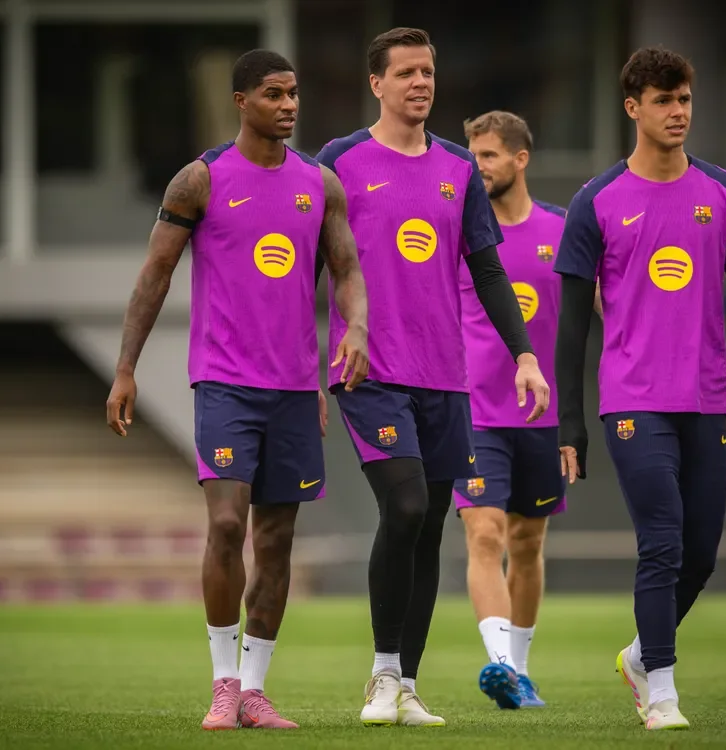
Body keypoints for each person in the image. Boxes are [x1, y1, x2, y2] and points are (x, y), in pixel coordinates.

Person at [104, 49, 369, 732]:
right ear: (241, 102)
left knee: (275, 540)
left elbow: (345, 268)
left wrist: (357, 328)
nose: (289, 105)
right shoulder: (201, 179)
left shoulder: (320, 184)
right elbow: (155, 273)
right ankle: (223, 684)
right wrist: (126, 368)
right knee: (227, 524)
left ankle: (255, 691)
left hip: (293, 389)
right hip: (225, 384)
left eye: (294, 93)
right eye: (274, 94)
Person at [314, 27, 550, 727]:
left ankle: (407, 685)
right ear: (376, 84)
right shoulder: (339, 162)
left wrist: (525, 354)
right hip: (369, 371)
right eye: (406, 72)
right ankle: (382, 676)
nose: (420, 83)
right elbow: (308, 267)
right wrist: (303, 364)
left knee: (429, 529)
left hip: (445, 377)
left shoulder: (457, 168)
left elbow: (487, 269)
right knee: (408, 506)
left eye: (428, 71)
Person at [553, 46, 726, 731]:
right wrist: (570, 423)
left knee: (700, 555)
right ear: (633, 108)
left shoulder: (724, 192)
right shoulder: (596, 202)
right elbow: (570, 327)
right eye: (663, 101)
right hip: (633, 399)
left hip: (708, 397)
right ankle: (663, 694)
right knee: (662, 542)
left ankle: (639, 656)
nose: (678, 112)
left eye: (684, 99)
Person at [452, 111, 567, 710]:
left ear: (521, 159)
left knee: (526, 543)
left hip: (541, 418)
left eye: (489, 155)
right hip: (475, 412)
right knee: (485, 534)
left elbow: (604, 306)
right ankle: (501, 666)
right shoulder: (458, 233)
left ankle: (521, 671)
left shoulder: (562, 230)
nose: (477, 166)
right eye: (472, 155)